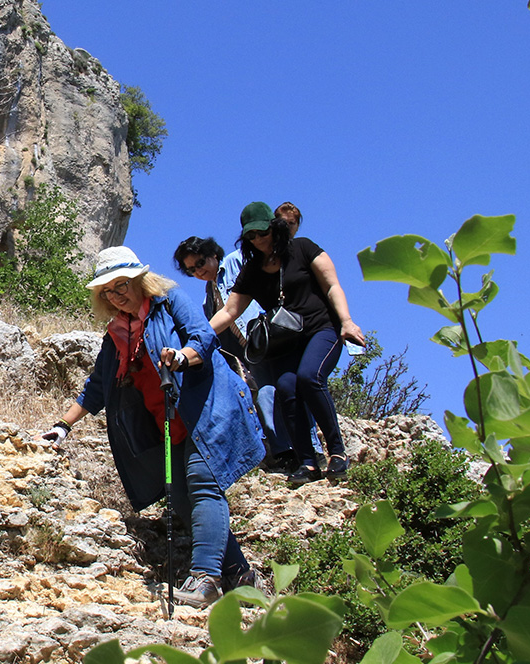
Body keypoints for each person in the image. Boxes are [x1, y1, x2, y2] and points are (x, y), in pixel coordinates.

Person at [41, 247, 264, 608]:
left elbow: (202, 337)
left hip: (205, 407)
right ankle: (241, 576)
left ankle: (205, 579)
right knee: (179, 497)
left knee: (202, 482)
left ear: (140, 280)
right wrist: (62, 426)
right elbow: (96, 387)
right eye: (108, 291)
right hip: (168, 424)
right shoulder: (116, 335)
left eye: (122, 284)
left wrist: (180, 358)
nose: (117, 295)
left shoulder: (169, 300)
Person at [210, 202, 365, 486]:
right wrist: (200, 337)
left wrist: (346, 321)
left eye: (262, 232)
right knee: (285, 388)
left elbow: (332, 285)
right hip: (287, 341)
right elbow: (230, 311)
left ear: (275, 226)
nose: (258, 240)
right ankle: (307, 462)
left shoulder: (303, 248)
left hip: (323, 330)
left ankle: (337, 452)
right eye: (251, 236)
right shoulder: (253, 269)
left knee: (310, 377)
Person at [171, 236, 313, 470]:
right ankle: (285, 454)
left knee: (290, 390)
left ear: (214, 255)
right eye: (191, 269)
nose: (198, 271)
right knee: (266, 395)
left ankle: (312, 451)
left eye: (200, 262)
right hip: (252, 353)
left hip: (272, 337)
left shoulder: (237, 262)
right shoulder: (209, 295)